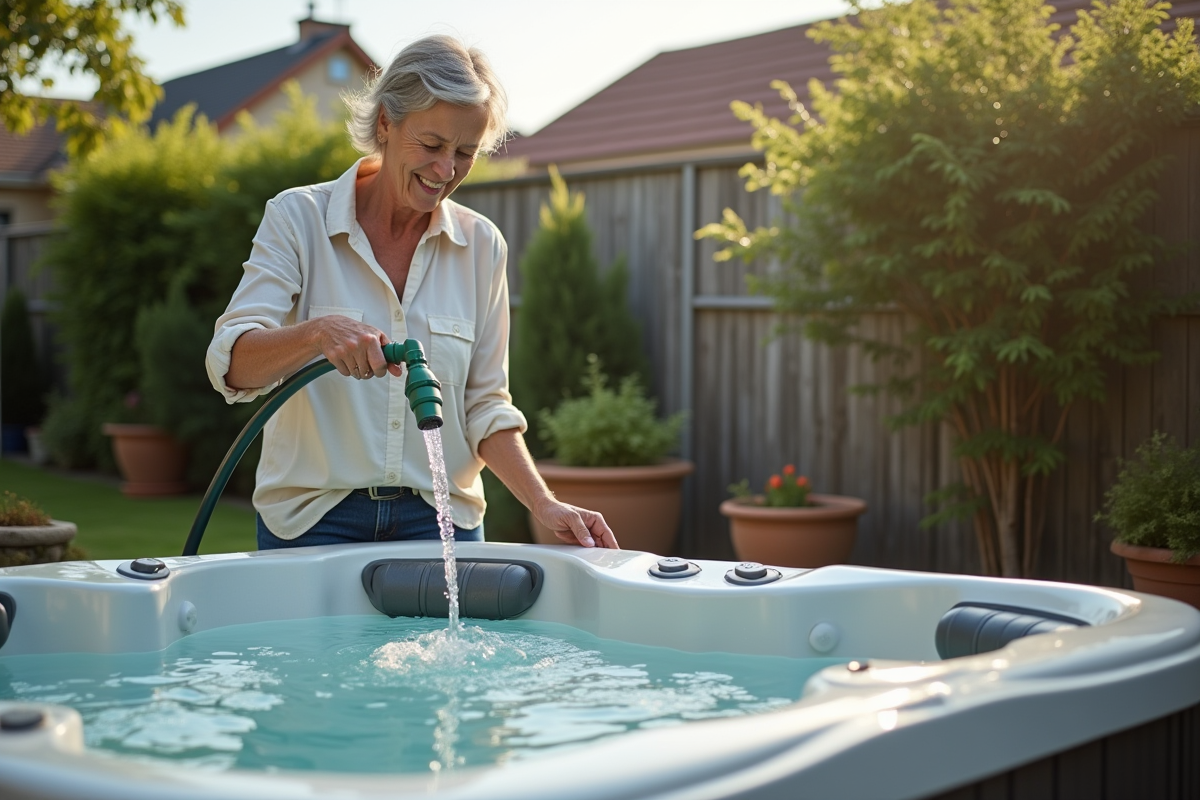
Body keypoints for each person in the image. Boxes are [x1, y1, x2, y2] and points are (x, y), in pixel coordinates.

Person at [205, 35, 617, 551]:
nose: (446, 171)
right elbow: (233, 365)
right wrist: (316, 334)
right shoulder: (298, 220)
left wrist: (543, 502)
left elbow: (485, 405)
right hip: (313, 521)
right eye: (432, 145)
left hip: (441, 519)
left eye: (465, 153)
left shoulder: (481, 246)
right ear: (385, 123)